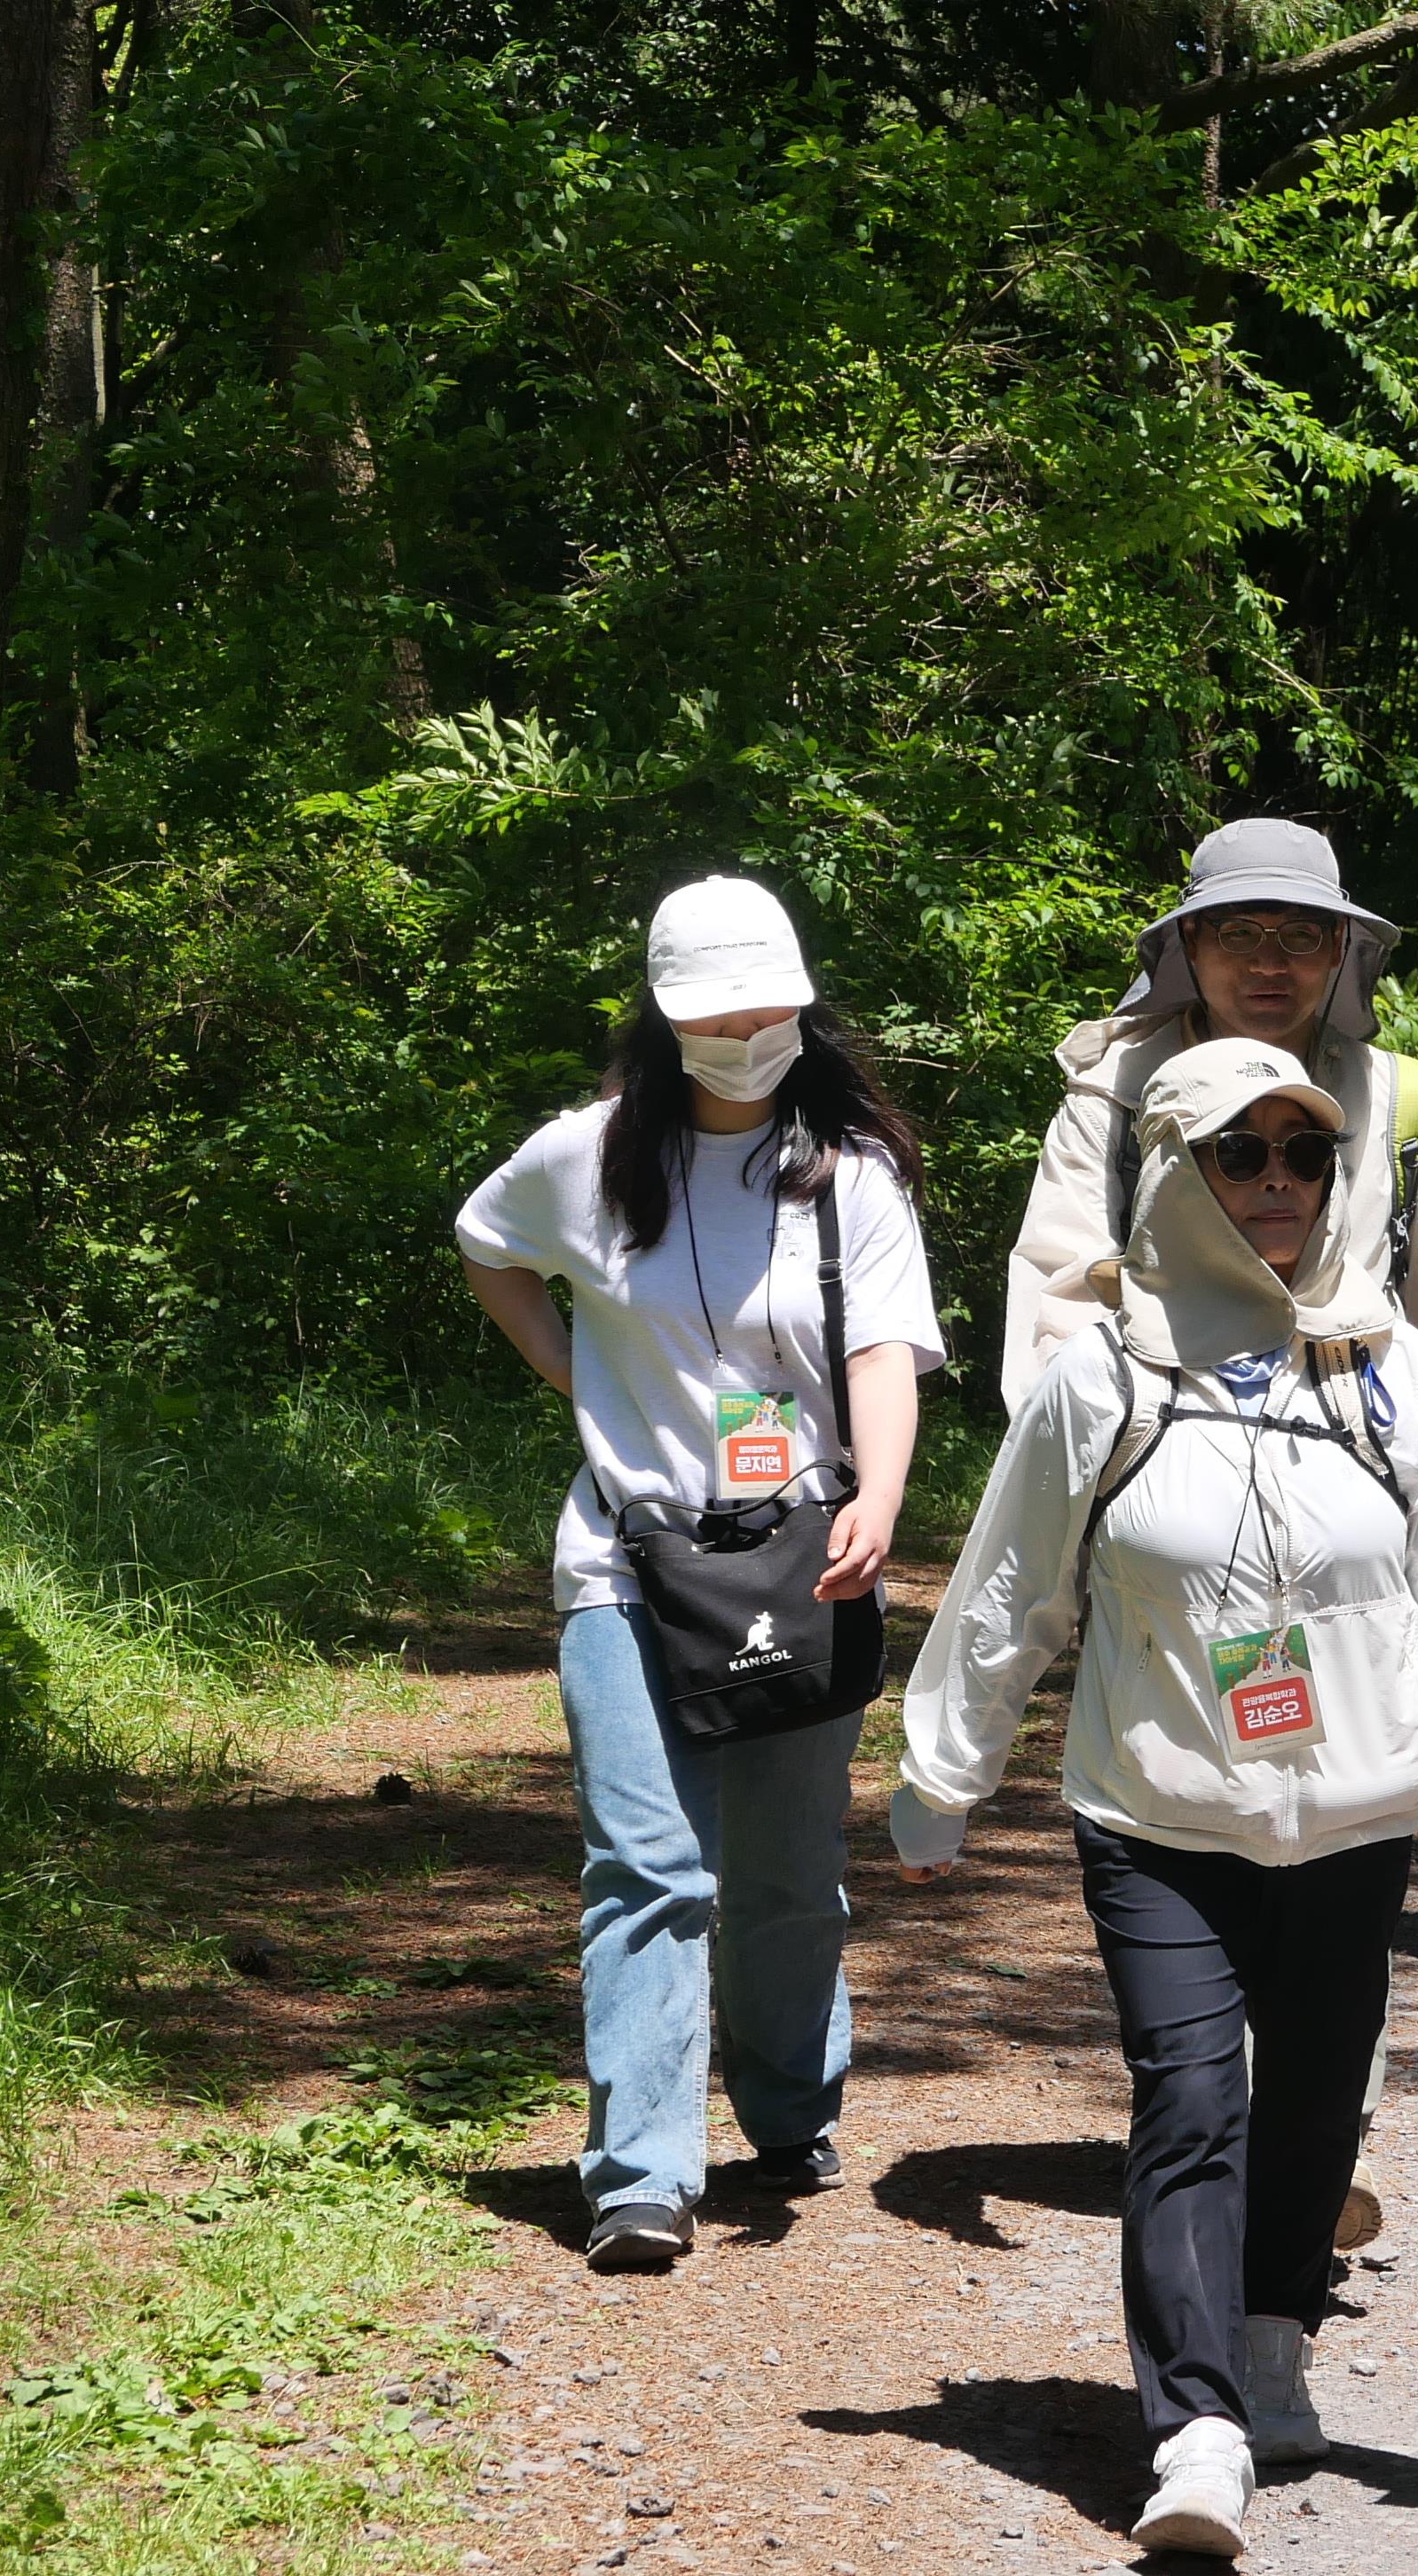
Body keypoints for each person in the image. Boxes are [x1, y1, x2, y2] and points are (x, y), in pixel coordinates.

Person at [891, 1038, 1418, 2561]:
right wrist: (945, 1766)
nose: (1277, 1184)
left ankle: (1273, 2334)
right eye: (1240, 1153)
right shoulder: (1104, 1373)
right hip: (1156, 1809)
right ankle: (1195, 2422)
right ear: (1174, 1172)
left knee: (1320, 2090)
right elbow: (1011, 1582)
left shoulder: (1383, 1363)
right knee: (1191, 2094)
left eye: (1305, 1156)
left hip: (1350, 1812)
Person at [456, 876, 941, 2274]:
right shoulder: (587, 1156)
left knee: (787, 1875)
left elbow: (882, 1358)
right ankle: (642, 2176)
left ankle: (789, 2108)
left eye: (768, 1004)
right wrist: (566, 1371)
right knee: (650, 1863)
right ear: (666, 1018)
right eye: (717, 1009)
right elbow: (489, 1247)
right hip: (627, 1555)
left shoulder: (850, 1173)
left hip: (805, 1557)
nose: (747, 1028)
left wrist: (884, 1498)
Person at [1004, 819, 1418, 1424]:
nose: (1268, 963)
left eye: (1301, 935)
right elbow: (1057, 1309)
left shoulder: (1405, 1104)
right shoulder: (1112, 1098)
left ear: (1339, 943)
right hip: (1159, 1466)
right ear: (1190, 940)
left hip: (1359, 1460)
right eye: (1237, 934)